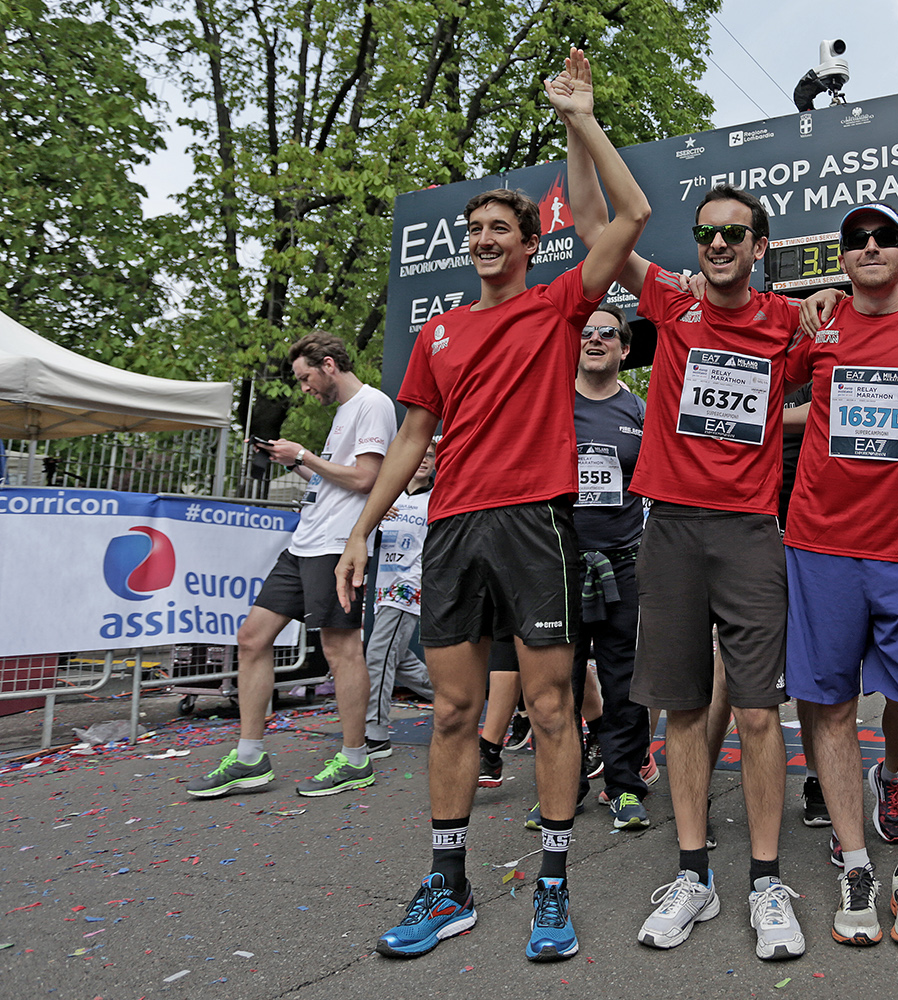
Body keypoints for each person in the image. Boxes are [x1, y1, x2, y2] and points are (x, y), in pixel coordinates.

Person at [334, 48, 650, 962]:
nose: (482, 239)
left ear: (528, 242)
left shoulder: (558, 307)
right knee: (452, 712)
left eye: (498, 228)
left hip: (535, 523)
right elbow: (411, 439)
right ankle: (449, 884)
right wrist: (360, 530)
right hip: (451, 530)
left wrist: (581, 119)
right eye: (473, 229)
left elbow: (631, 214)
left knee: (549, 709)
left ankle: (553, 885)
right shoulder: (438, 331)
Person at [567, 145, 804, 958]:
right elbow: (593, 225)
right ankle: (693, 874)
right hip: (668, 528)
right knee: (682, 709)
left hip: (750, 531)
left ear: (760, 246)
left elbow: (871, 336)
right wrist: (581, 127)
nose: (719, 243)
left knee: (759, 712)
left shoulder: (787, 322)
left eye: (735, 233)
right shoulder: (671, 300)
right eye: (707, 232)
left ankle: (767, 881)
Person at [785, 203, 898, 949]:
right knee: (829, 710)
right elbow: (744, 351)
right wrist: (807, 305)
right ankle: (857, 867)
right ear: (841, 259)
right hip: (821, 545)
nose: (869, 247)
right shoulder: (819, 324)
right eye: (856, 241)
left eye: (884, 238)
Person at [187, 331, 394, 800]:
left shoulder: (372, 403)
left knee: (341, 649)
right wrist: (290, 461)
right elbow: (332, 479)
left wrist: (303, 454)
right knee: (252, 638)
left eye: (305, 378)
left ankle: (356, 760)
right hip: (305, 543)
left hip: (337, 546)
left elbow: (366, 479)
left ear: (328, 365)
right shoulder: (344, 412)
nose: (304, 388)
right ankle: (249, 758)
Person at [567, 302, 652, 829]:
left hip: (623, 563)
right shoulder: (551, 402)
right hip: (560, 565)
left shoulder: (640, 411)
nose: (595, 338)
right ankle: (562, 788)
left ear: (624, 349)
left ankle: (624, 786)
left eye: (607, 333)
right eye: (587, 331)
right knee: (560, 684)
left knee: (624, 682)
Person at [363, 439, 437, 759]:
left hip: (409, 587)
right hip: (382, 586)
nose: (423, 460)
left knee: (378, 656)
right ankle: (454, 698)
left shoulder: (437, 498)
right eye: (419, 454)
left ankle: (376, 733)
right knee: (399, 658)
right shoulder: (387, 495)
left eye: (430, 455)